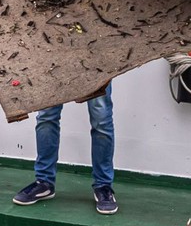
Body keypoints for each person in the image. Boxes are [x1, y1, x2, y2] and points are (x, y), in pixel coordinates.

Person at [14, 84, 118, 214]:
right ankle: (44, 182)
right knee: (46, 116)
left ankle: (103, 185)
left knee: (101, 119)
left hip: (99, 63)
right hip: (51, 64)